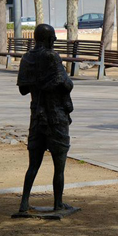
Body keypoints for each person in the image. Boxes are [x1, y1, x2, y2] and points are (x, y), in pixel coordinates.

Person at [17, 23, 74, 212]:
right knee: (59, 164)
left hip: (37, 116)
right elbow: (65, 84)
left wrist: (37, 83)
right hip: (55, 115)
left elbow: (23, 89)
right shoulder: (51, 56)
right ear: (49, 40)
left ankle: (24, 203)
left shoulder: (27, 58)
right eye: (53, 39)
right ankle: (57, 203)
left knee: (33, 164)